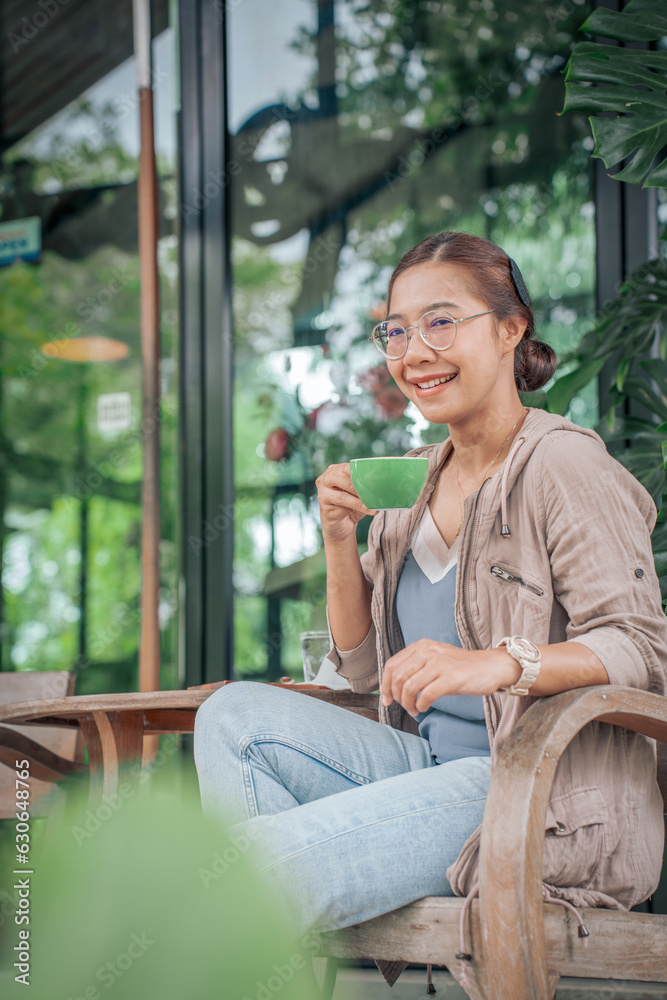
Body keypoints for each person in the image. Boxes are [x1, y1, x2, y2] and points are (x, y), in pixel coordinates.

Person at [194, 232, 667, 987]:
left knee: (246, 870)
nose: (413, 350)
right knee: (231, 717)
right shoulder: (411, 483)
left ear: (511, 329)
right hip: (423, 768)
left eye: (440, 322)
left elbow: (641, 649)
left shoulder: (561, 464)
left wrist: (497, 664)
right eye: (395, 330)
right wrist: (338, 538)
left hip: (529, 786)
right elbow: (363, 671)